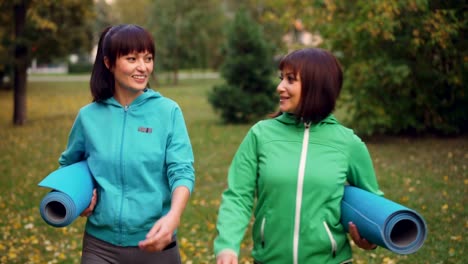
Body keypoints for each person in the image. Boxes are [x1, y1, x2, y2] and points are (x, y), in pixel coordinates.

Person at [214, 48, 383, 264]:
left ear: (317, 86)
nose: (280, 87)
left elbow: (372, 204)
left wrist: (371, 238)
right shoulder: (260, 134)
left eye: (290, 80)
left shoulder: (348, 142)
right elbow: (238, 195)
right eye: (281, 78)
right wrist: (227, 247)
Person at [58, 24, 195, 264]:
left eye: (148, 58)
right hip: (100, 247)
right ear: (109, 63)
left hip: (157, 245)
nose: (143, 67)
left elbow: (182, 171)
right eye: (132, 58)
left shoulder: (168, 112)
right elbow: (70, 165)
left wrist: (174, 216)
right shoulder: (88, 117)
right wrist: (79, 196)